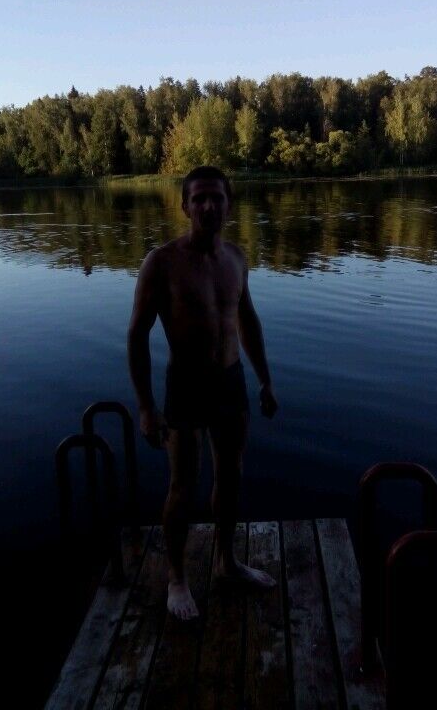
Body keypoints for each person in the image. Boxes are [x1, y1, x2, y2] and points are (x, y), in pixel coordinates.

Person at [127, 165, 278, 621]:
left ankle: (226, 562)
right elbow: (137, 336)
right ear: (185, 206)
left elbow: (247, 320)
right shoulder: (161, 263)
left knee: (230, 476)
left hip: (231, 382)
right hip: (186, 385)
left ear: (229, 205)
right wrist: (146, 407)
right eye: (199, 198)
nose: (209, 206)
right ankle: (176, 578)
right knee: (183, 484)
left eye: (217, 197)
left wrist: (265, 379)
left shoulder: (236, 258)